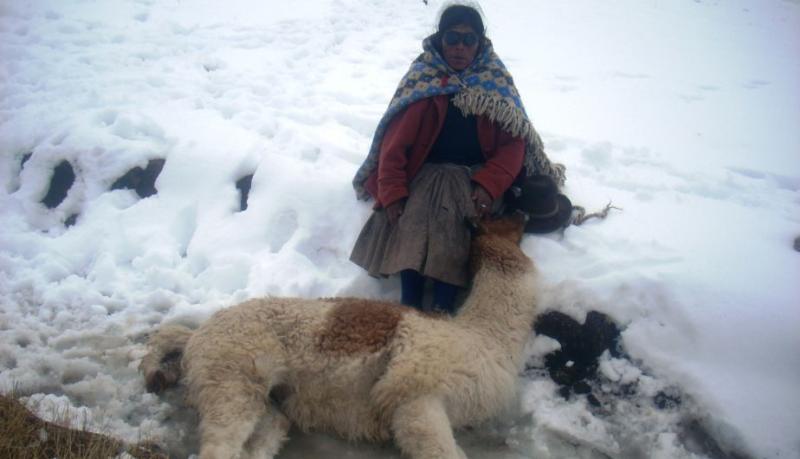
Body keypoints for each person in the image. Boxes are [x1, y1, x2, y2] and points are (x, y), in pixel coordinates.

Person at [350, 3, 565, 313]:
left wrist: (489, 185)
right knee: (414, 216)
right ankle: (410, 303)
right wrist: (393, 191)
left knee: (457, 217)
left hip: (475, 175)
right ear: (440, 40)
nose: (460, 47)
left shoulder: (495, 82)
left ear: (479, 43)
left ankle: (443, 304)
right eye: (452, 38)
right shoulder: (423, 78)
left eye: (469, 40)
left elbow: (513, 147)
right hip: (425, 172)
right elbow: (393, 146)